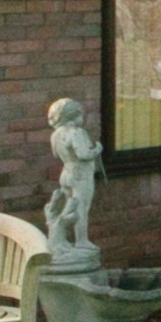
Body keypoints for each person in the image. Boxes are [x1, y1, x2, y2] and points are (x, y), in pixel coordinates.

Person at [43, 97, 103, 257]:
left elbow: (57, 154)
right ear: (74, 115)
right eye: (81, 115)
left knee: (69, 207)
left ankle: (62, 240)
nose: (82, 119)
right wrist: (98, 149)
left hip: (66, 172)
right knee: (82, 208)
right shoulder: (76, 132)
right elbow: (84, 154)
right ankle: (82, 241)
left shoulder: (55, 135)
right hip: (80, 174)